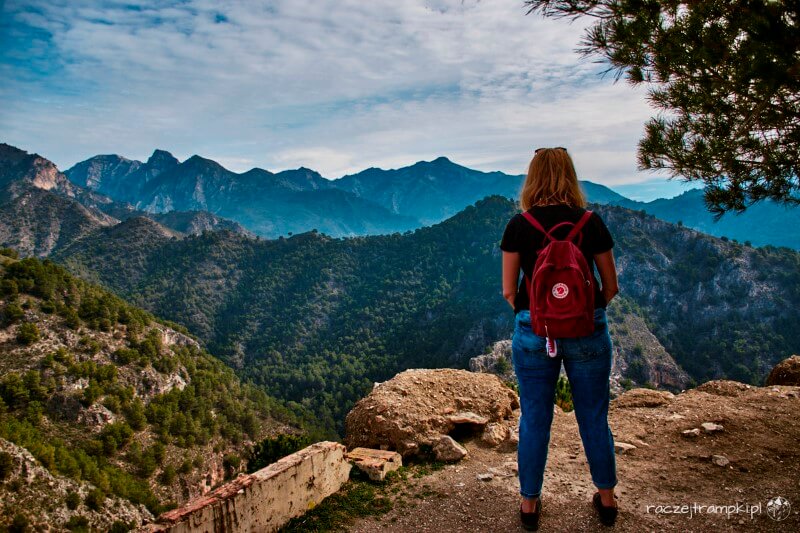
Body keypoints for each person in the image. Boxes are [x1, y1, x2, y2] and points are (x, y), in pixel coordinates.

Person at [500, 147, 620, 530]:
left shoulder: (519, 226)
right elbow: (611, 286)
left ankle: (529, 505)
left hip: (535, 331)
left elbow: (508, 291)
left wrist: (541, 317)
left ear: (532, 177)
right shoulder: (591, 222)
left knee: (535, 417)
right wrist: (585, 312)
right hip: (588, 330)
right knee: (594, 417)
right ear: (570, 175)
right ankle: (606, 499)